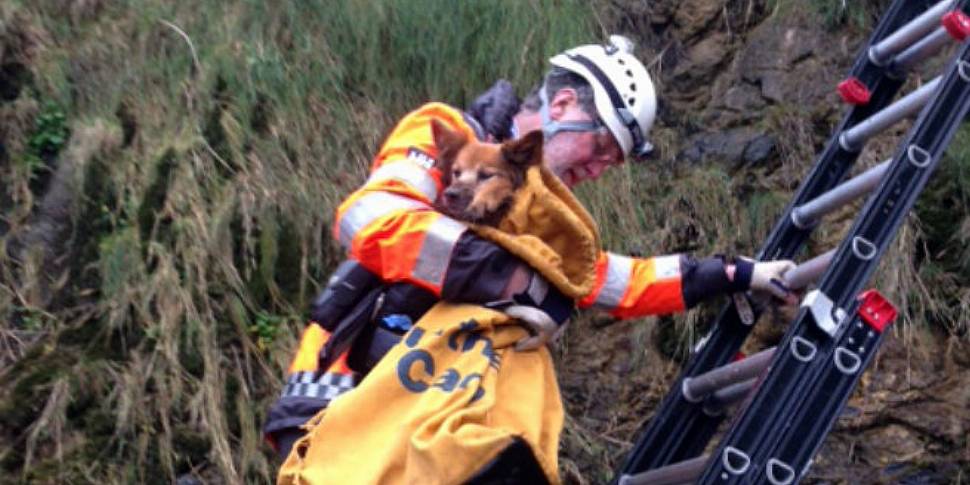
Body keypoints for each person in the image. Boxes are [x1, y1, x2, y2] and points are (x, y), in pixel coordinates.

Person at [264, 35, 796, 466]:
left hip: (423, 410)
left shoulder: (540, 215)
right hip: (341, 395)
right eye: (602, 147)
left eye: (614, 162)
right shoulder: (448, 135)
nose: (600, 169)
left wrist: (729, 274)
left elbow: (606, 280)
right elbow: (372, 217)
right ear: (563, 105)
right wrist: (508, 279)